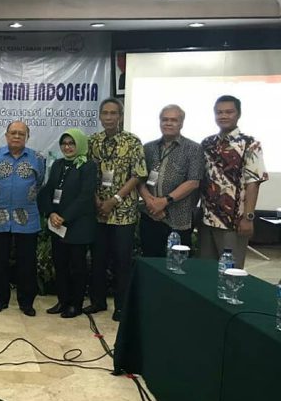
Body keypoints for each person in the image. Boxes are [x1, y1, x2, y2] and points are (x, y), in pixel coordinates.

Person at [86, 98, 147, 321]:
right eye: (105, 113)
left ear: (120, 116)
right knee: (98, 259)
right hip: (98, 211)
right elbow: (87, 174)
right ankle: (98, 301)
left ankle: (121, 306)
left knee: (122, 261)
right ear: (100, 116)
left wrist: (114, 199)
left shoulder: (132, 141)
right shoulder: (93, 141)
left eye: (113, 113)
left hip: (123, 212)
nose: (109, 117)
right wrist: (96, 200)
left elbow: (138, 174)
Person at [0, 121, 45, 316]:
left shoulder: (37, 159)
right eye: (13, 133)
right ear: (6, 135)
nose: (17, 136)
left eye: (21, 133)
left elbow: (39, 183)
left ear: (27, 136)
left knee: (27, 263)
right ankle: (0, 300)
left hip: (27, 218)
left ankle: (26, 303)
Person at [200, 95, 267, 268]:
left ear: (238, 114)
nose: (223, 116)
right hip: (207, 219)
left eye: (229, 112)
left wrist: (248, 218)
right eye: (219, 112)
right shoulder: (207, 143)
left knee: (230, 273)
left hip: (233, 222)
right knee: (206, 271)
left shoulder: (250, 144)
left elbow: (253, 182)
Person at [38, 129, 97, 318]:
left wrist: (65, 217)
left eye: (72, 143)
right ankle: (63, 301)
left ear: (79, 144)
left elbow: (85, 196)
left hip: (78, 225)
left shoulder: (88, 166)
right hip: (58, 225)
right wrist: (51, 213)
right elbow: (48, 190)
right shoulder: (58, 164)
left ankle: (75, 305)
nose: (67, 147)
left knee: (77, 267)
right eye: (64, 143)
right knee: (60, 264)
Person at [138, 105, 203, 256]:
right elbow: (139, 178)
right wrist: (150, 202)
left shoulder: (193, 148)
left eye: (173, 120)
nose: (168, 123)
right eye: (164, 119)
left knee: (177, 262)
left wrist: (164, 202)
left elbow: (193, 182)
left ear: (181, 123)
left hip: (178, 218)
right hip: (150, 214)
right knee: (151, 261)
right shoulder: (148, 148)